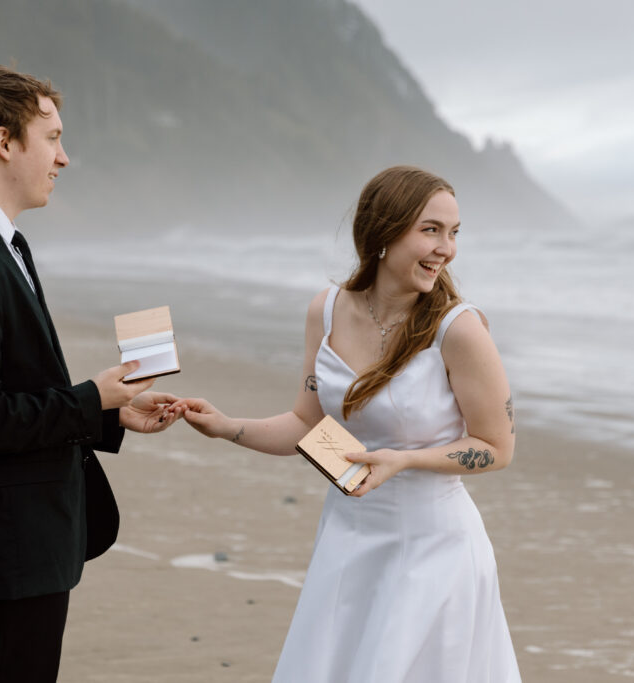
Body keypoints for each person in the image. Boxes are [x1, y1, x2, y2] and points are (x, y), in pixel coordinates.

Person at [172, 165, 521, 682]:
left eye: (454, 233)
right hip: (346, 540)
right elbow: (307, 427)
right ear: (383, 231)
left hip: (434, 552)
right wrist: (227, 427)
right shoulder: (327, 311)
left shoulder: (459, 329)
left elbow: (497, 447)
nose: (446, 248)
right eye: (430, 230)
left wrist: (405, 460)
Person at [0, 65, 177, 683]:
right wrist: (87, 399)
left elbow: (6, 392)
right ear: (4, 142)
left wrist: (106, 409)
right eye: (51, 138)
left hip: (9, 545)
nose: (64, 158)